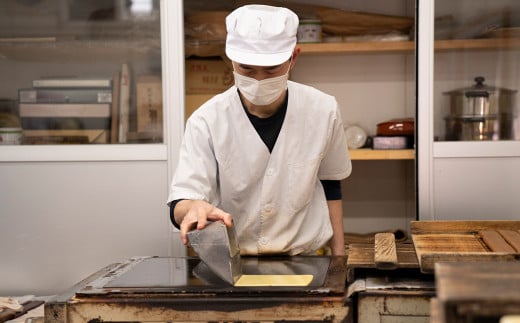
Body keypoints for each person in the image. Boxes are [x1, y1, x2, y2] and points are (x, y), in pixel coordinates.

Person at [168, 4, 352, 256]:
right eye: (246, 69)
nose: (259, 80)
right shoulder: (206, 120)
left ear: (293, 57)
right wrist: (192, 207)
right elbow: (181, 200)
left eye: (271, 70)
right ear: (230, 58)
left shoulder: (323, 110)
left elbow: (331, 184)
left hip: (305, 257)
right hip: (233, 258)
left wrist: (339, 257)